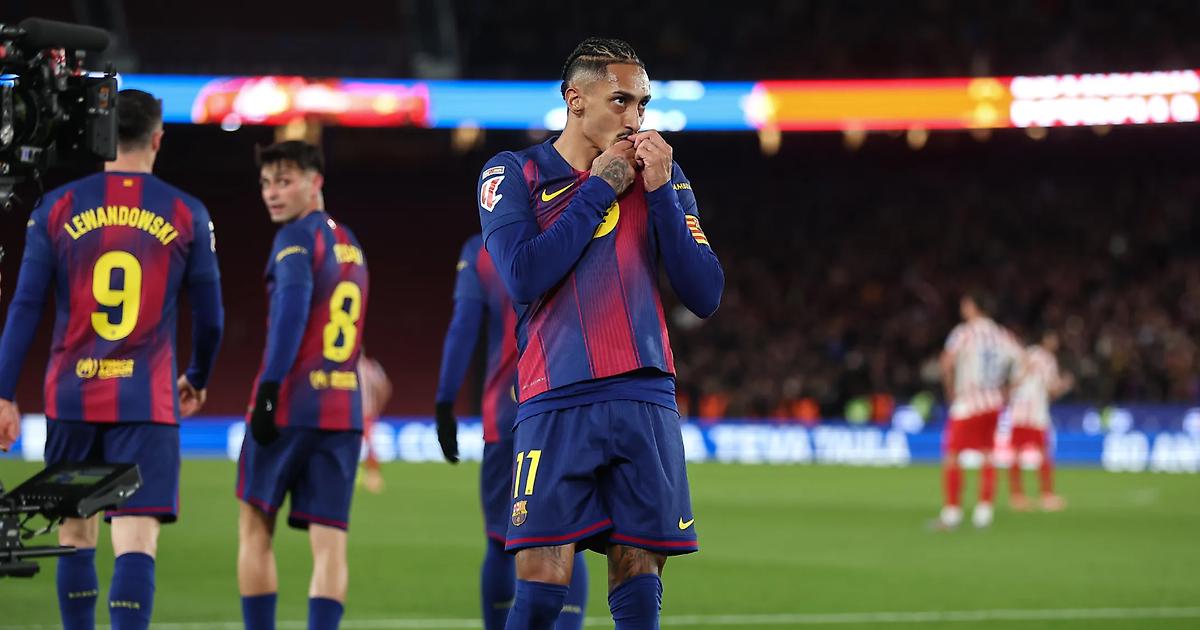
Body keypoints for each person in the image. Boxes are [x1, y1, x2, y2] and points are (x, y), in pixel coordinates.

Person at [476, 37, 724, 629]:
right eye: (621, 101)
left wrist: (661, 194)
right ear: (575, 100)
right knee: (541, 585)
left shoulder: (661, 175)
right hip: (556, 395)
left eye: (643, 104)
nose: (635, 118)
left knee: (638, 578)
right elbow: (523, 274)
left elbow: (705, 293)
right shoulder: (512, 172)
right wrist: (598, 187)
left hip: (644, 396)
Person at [0, 89, 224, 630]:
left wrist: (3, 393)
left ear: (101, 135)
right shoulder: (186, 211)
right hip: (145, 401)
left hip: (72, 398)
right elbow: (212, 318)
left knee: (75, 533)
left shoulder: (56, 207)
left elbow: (25, 306)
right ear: (158, 138)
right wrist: (197, 376)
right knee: (136, 538)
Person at [236, 141, 369, 630]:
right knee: (331, 545)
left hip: (291, 405)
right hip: (342, 411)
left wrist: (269, 391)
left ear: (315, 182)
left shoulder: (294, 238)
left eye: (284, 181)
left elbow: (290, 317)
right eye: (266, 183)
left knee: (255, 530)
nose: (272, 193)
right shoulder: (351, 243)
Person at [435, 234, 589, 630]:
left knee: (500, 539)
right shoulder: (567, 230)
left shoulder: (481, 251)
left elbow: (463, 327)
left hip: (506, 413)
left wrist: (445, 401)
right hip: (565, 404)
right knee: (570, 537)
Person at [937, 292, 1022, 530]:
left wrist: (950, 391)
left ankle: (952, 512)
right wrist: (1008, 389)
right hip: (993, 402)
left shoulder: (964, 332)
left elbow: (946, 362)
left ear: (973, 306)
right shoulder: (1002, 334)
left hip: (968, 403)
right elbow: (1023, 362)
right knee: (988, 455)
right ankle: (984, 511)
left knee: (953, 456)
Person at [1007, 330, 1073, 511]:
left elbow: (1014, 381)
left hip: (1019, 412)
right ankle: (1046, 495)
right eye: (1053, 339)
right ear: (1046, 340)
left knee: (1016, 454)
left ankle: (1016, 496)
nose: (1055, 343)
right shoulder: (1048, 359)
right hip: (1036, 414)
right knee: (1043, 454)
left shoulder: (1026, 354)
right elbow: (1052, 390)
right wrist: (1065, 385)